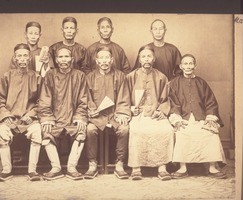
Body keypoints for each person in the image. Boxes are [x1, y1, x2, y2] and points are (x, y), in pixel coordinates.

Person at [168, 54, 226, 179]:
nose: (188, 66)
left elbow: (211, 102)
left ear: (195, 66)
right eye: (185, 64)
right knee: (181, 133)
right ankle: (182, 168)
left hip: (201, 118)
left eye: (191, 63)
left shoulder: (201, 83)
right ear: (181, 66)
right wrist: (177, 120)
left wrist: (210, 117)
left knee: (210, 133)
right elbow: (173, 103)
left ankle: (212, 167)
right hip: (184, 118)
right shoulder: (174, 83)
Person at [0, 43, 42, 182]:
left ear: (29, 57)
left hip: (29, 119)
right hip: (11, 118)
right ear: (14, 58)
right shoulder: (7, 76)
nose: (22, 59)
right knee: (1, 134)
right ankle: (7, 170)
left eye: (25, 55)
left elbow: (41, 101)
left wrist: (31, 114)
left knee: (37, 132)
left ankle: (32, 170)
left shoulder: (37, 77)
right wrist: (6, 116)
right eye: (19, 56)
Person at [38, 47, 88, 181]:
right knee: (46, 132)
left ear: (72, 59)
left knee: (81, 132)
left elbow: (84, 100)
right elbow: (44, 99)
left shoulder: (79, 75)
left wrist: (80, 118)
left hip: (73, 118)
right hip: (55, 118)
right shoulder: (50, 75)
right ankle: (56, 168)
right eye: (60, 57)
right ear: (56, 59)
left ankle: (72, 167)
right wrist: (47, 118)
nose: (63, 60)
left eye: (66, 57)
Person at [126, 46, 174, 181]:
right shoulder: (131, 77)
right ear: (139, 59)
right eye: (143, 56)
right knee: (136, 130)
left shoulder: (161, 77)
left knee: (166, 130)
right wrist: (130, 108)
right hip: (138, 114)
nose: (146, 59)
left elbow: (166, 99)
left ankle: (162, 167)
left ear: (154, 59)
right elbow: (123, 98)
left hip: (155, 113)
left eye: (149, 56)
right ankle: (136, 168)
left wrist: (162, 110)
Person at [84, 46, 130, 179]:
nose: (104, 61)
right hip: (97, 117)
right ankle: (92, 163)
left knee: (124, 129)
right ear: (97, 61)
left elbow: (124, 97)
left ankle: (119, 163)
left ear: (112, 60)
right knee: (90, 130)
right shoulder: (90, 77)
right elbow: (87, 97)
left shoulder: (120, 76)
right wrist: (91, 109)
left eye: (107, 58)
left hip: (114, 115)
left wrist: (122, 112)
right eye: (101, 58)